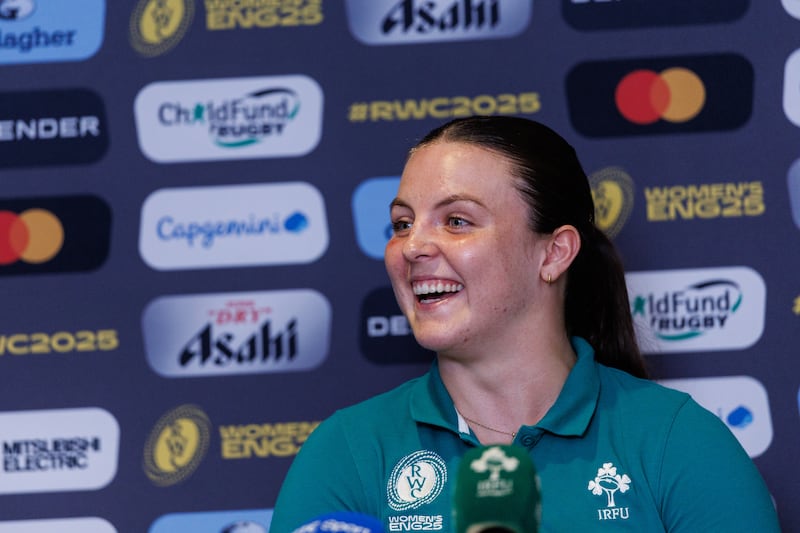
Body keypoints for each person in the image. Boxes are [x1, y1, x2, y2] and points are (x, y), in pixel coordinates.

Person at [270, 116, 780, 532]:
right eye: (402, 223)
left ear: (554, 252)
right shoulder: (347, 450)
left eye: (457, 221)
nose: (413, 246)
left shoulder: (677, 440)